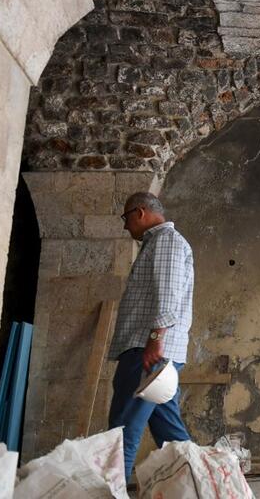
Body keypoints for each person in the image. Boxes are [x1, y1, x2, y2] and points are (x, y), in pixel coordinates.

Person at [107, 192, 194, 482]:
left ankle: (112, 492)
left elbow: (168, 293)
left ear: (140, 212)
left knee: (123, 432)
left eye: (126, 218)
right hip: (157, 352)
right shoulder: (159, 243)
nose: (125, 226)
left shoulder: (166, 241)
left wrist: (155, 339)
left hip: (148, 350)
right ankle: (201, 485)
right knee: (171, 435)